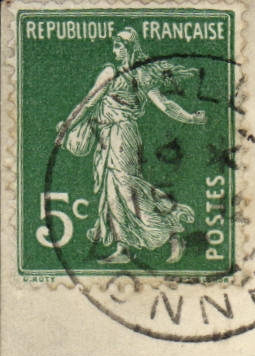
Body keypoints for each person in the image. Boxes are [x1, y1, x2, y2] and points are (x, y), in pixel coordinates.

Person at [55, 28, 205, 264]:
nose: (115, 51)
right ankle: (123, 248)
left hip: (123, 135)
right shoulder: (110, 72)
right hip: (107, 136)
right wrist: (69, 123)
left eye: (119, 47)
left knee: (126, 188)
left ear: (130, 48)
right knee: (111, 191)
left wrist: (190, 118)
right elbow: (88, 102)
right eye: (114, 46)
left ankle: (171, 234)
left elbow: (164, 104)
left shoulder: (141, 76)